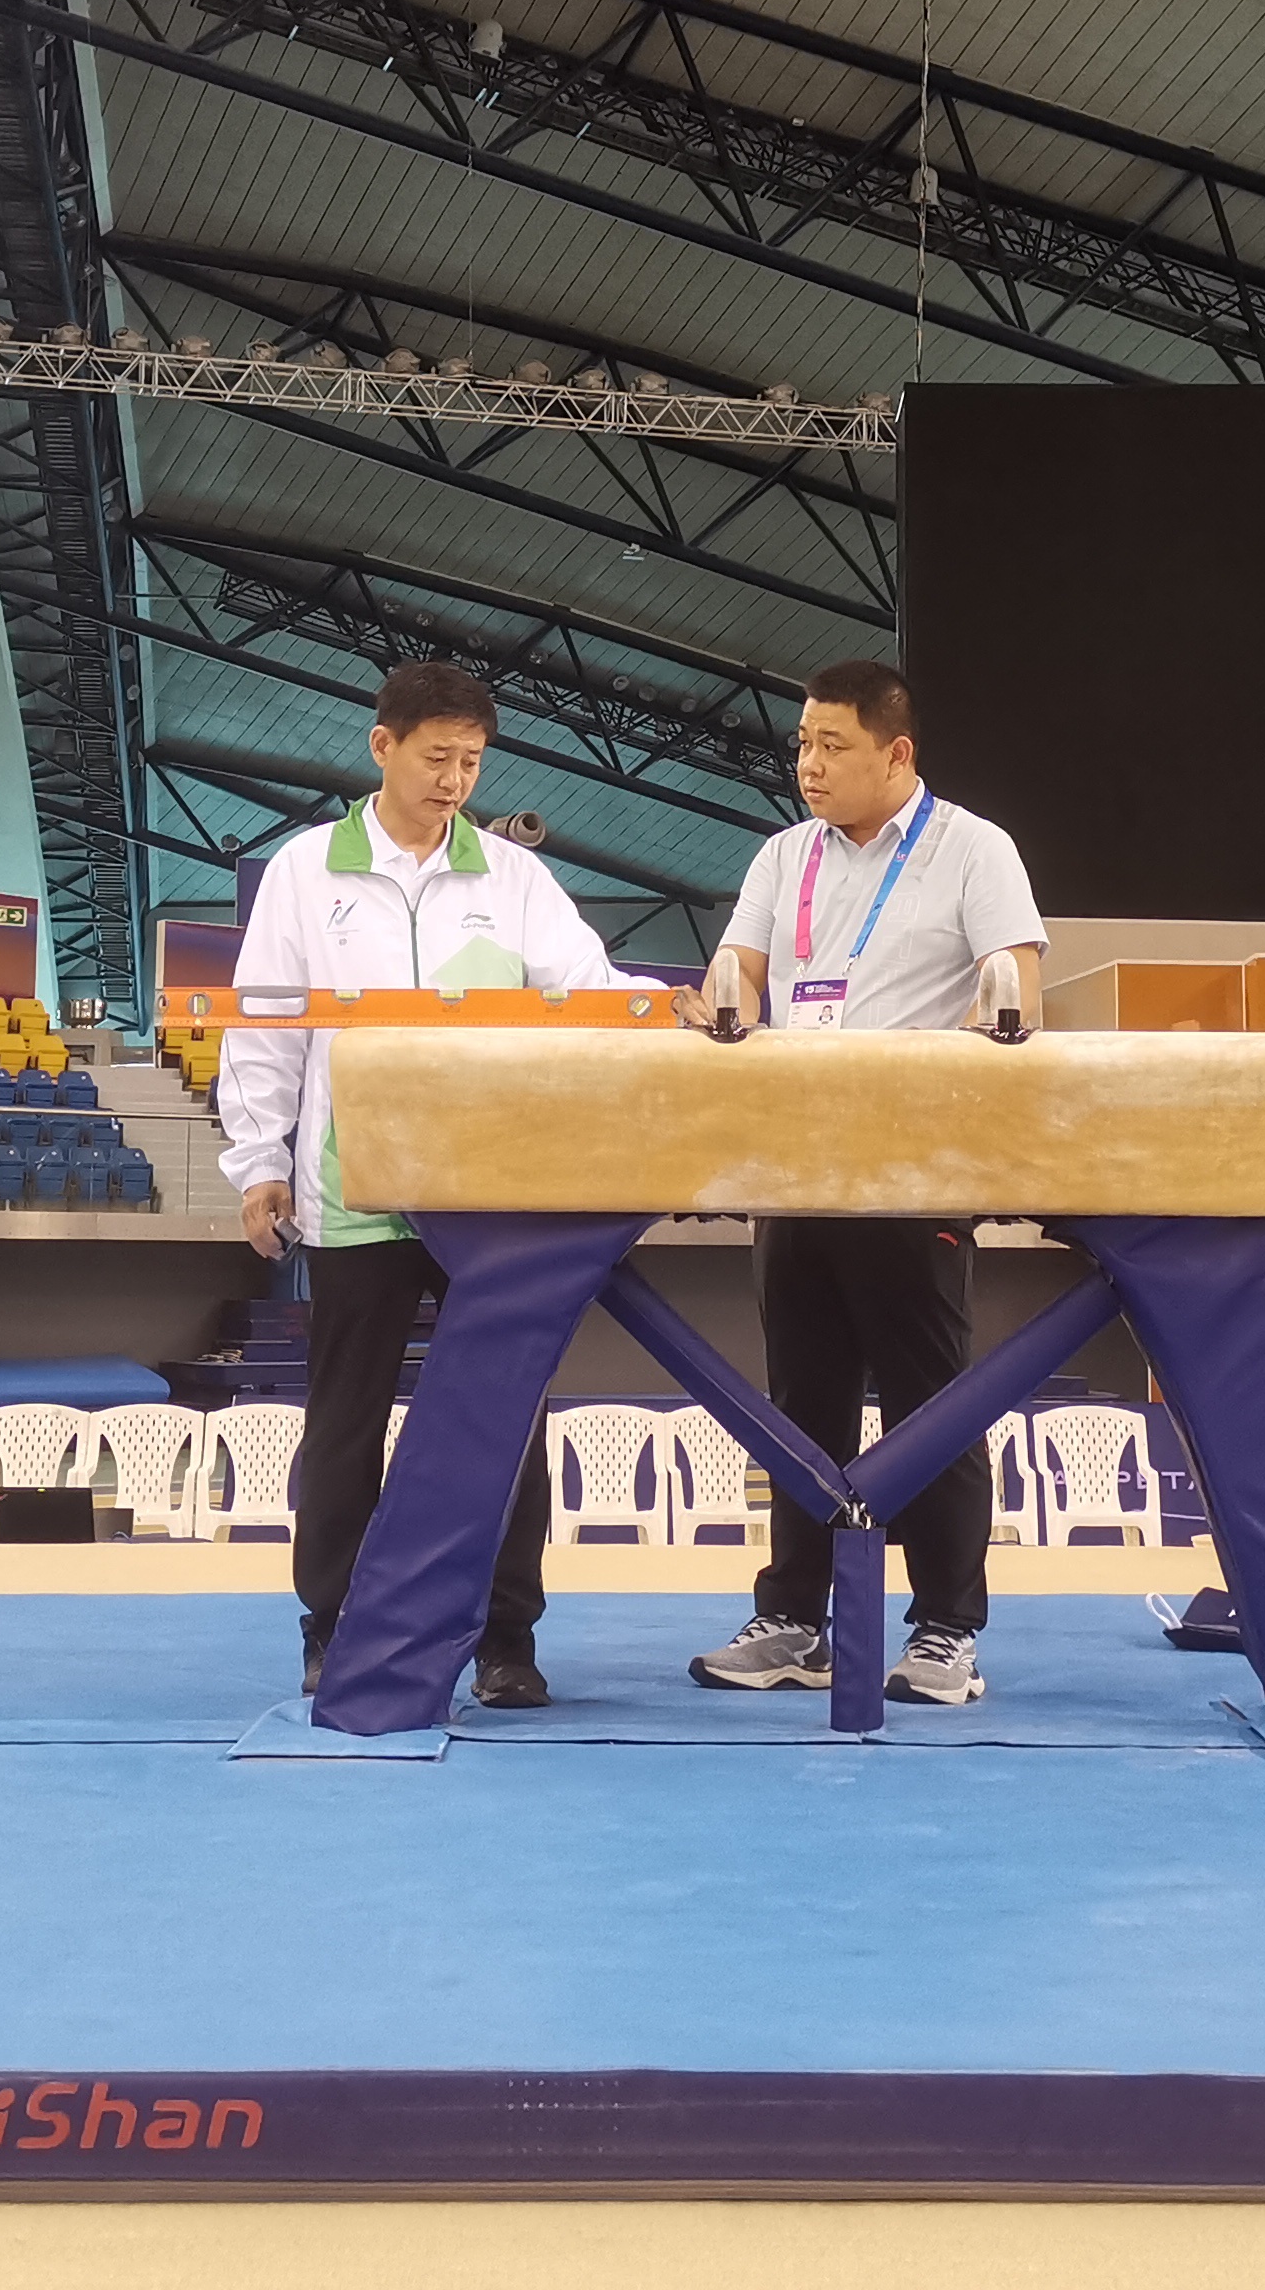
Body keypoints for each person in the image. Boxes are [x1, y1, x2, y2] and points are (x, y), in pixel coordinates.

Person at [216, 661, 638, 1711]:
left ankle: (506, 1637)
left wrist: (660, 1005)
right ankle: (333, 1626)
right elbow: (263, 1029)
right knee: (345, 1420)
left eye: (472, 762)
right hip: (353, 1190)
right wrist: (259, 1164)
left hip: (487, 1198)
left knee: (506, 1416)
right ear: (383, 746)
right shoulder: (305, 871)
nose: (454, 780)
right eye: (437, 757)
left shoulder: (512, 879)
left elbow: (588, 988)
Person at [688, 660, 1045, 1707]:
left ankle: (944, 1629)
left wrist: (960, 1057)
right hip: (795, 1170)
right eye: (802, 744)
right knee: (801, 1407)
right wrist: (716, 1013)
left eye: (831, 746)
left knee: (932, 1406)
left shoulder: (974, 849)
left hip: (913, 1175)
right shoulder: (781, 855)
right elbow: (737, 981)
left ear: (897, 755)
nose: (807, 764)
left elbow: (1016, 993)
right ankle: (795, 1619)